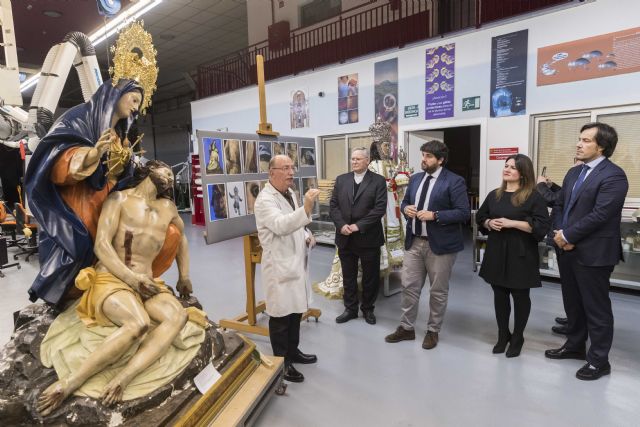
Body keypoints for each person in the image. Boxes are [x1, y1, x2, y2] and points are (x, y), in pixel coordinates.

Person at [37, 161, 198, 415]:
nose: (170, 177)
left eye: (171, 175)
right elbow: (102, 245)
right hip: (113, 278)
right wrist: (132, 279)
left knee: (178, 316)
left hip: (148, 282)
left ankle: (123, 378)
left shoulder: (168, 207)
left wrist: (184, 276)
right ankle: (69, 383)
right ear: (149, 170)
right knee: (138, 323)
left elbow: (182, 240)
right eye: (165, 171)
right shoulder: (119, 200)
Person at [25, 78, 180, 307]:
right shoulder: (79, 119)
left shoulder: (119, 134)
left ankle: (122, 285)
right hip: (80, 200)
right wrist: (92, 154)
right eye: (134, 99)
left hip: (110, 198)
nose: (136, 107)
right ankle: (78, 296)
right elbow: (57, 160)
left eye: (139, 103)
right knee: (81, 246)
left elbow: (124, 174)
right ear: (117, 93)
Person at [545, 122, 628, 381]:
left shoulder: (614, 175)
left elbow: (602, 214)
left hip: (594, 252)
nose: (578, 144)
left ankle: (599, 361)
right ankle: (574, 346)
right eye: (579, 139)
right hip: (566, 249)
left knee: (596, 308)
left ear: (601, 146)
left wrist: (569, 235)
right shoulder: (573, 173)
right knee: (573, 303)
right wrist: (558, 234)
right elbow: (560, 205)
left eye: (586, 140)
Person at [384, 140, 469, 350]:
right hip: (415, 242)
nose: (424, 159)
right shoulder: (414, 179)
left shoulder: (454, 181)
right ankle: (406, 328)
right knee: (409, 286)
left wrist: (435, 215)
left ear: (440, 160)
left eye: (429, 156)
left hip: (441, 246)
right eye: (423, 155)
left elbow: (463, 212)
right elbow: (404, 202)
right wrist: (406, 209)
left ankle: (433, 331)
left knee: (438, 291)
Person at [475, 154, 550, 357]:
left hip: (521, 253)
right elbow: (481, 217)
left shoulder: (533, 197)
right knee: (499, 294)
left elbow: (541, 226)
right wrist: (489, 223)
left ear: (523, 173)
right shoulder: (494, 195)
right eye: (506, 165)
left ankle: (518, 336)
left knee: (519, 296)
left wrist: (512, 223)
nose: (507, 169)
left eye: (512, 167)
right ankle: (502, 334)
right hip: (497, 250)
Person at [254, 154, 320, 383]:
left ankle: (294, 352)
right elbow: (281, 225)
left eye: (293, 167)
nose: (292, 172)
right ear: (272, 173)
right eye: (286, 168)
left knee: (295, 312)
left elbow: (294, 223)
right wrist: (307, 208)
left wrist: (306, 233)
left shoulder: (289, 193)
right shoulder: (265, 200)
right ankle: (282, 363)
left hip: (294, 261)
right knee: (281, 316)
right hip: (279, 266)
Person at [330, 147, 387, 325]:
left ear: (367, 161)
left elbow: (379, 209)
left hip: (368, 237)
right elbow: (333, 206)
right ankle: (351, 309)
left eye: (358, 159)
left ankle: (368, 309)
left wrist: (357, 226)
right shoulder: (341, 180)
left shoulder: (378, 181)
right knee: (349, 275)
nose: (354, 161)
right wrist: (341, 225)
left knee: (370, 277)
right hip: (345, 236)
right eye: (352, 159)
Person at [536, 158, 583, 335]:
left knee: (573, 286)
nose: (574, 163)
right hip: (561, 236)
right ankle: (573, 318)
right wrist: (552, 185)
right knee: (569, 285)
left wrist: (540, 186)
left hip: (567, 237)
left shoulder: (585, 178)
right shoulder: (576, 178)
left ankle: (575, 323)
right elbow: (562, 196)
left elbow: (554, 200)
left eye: (577, 161)